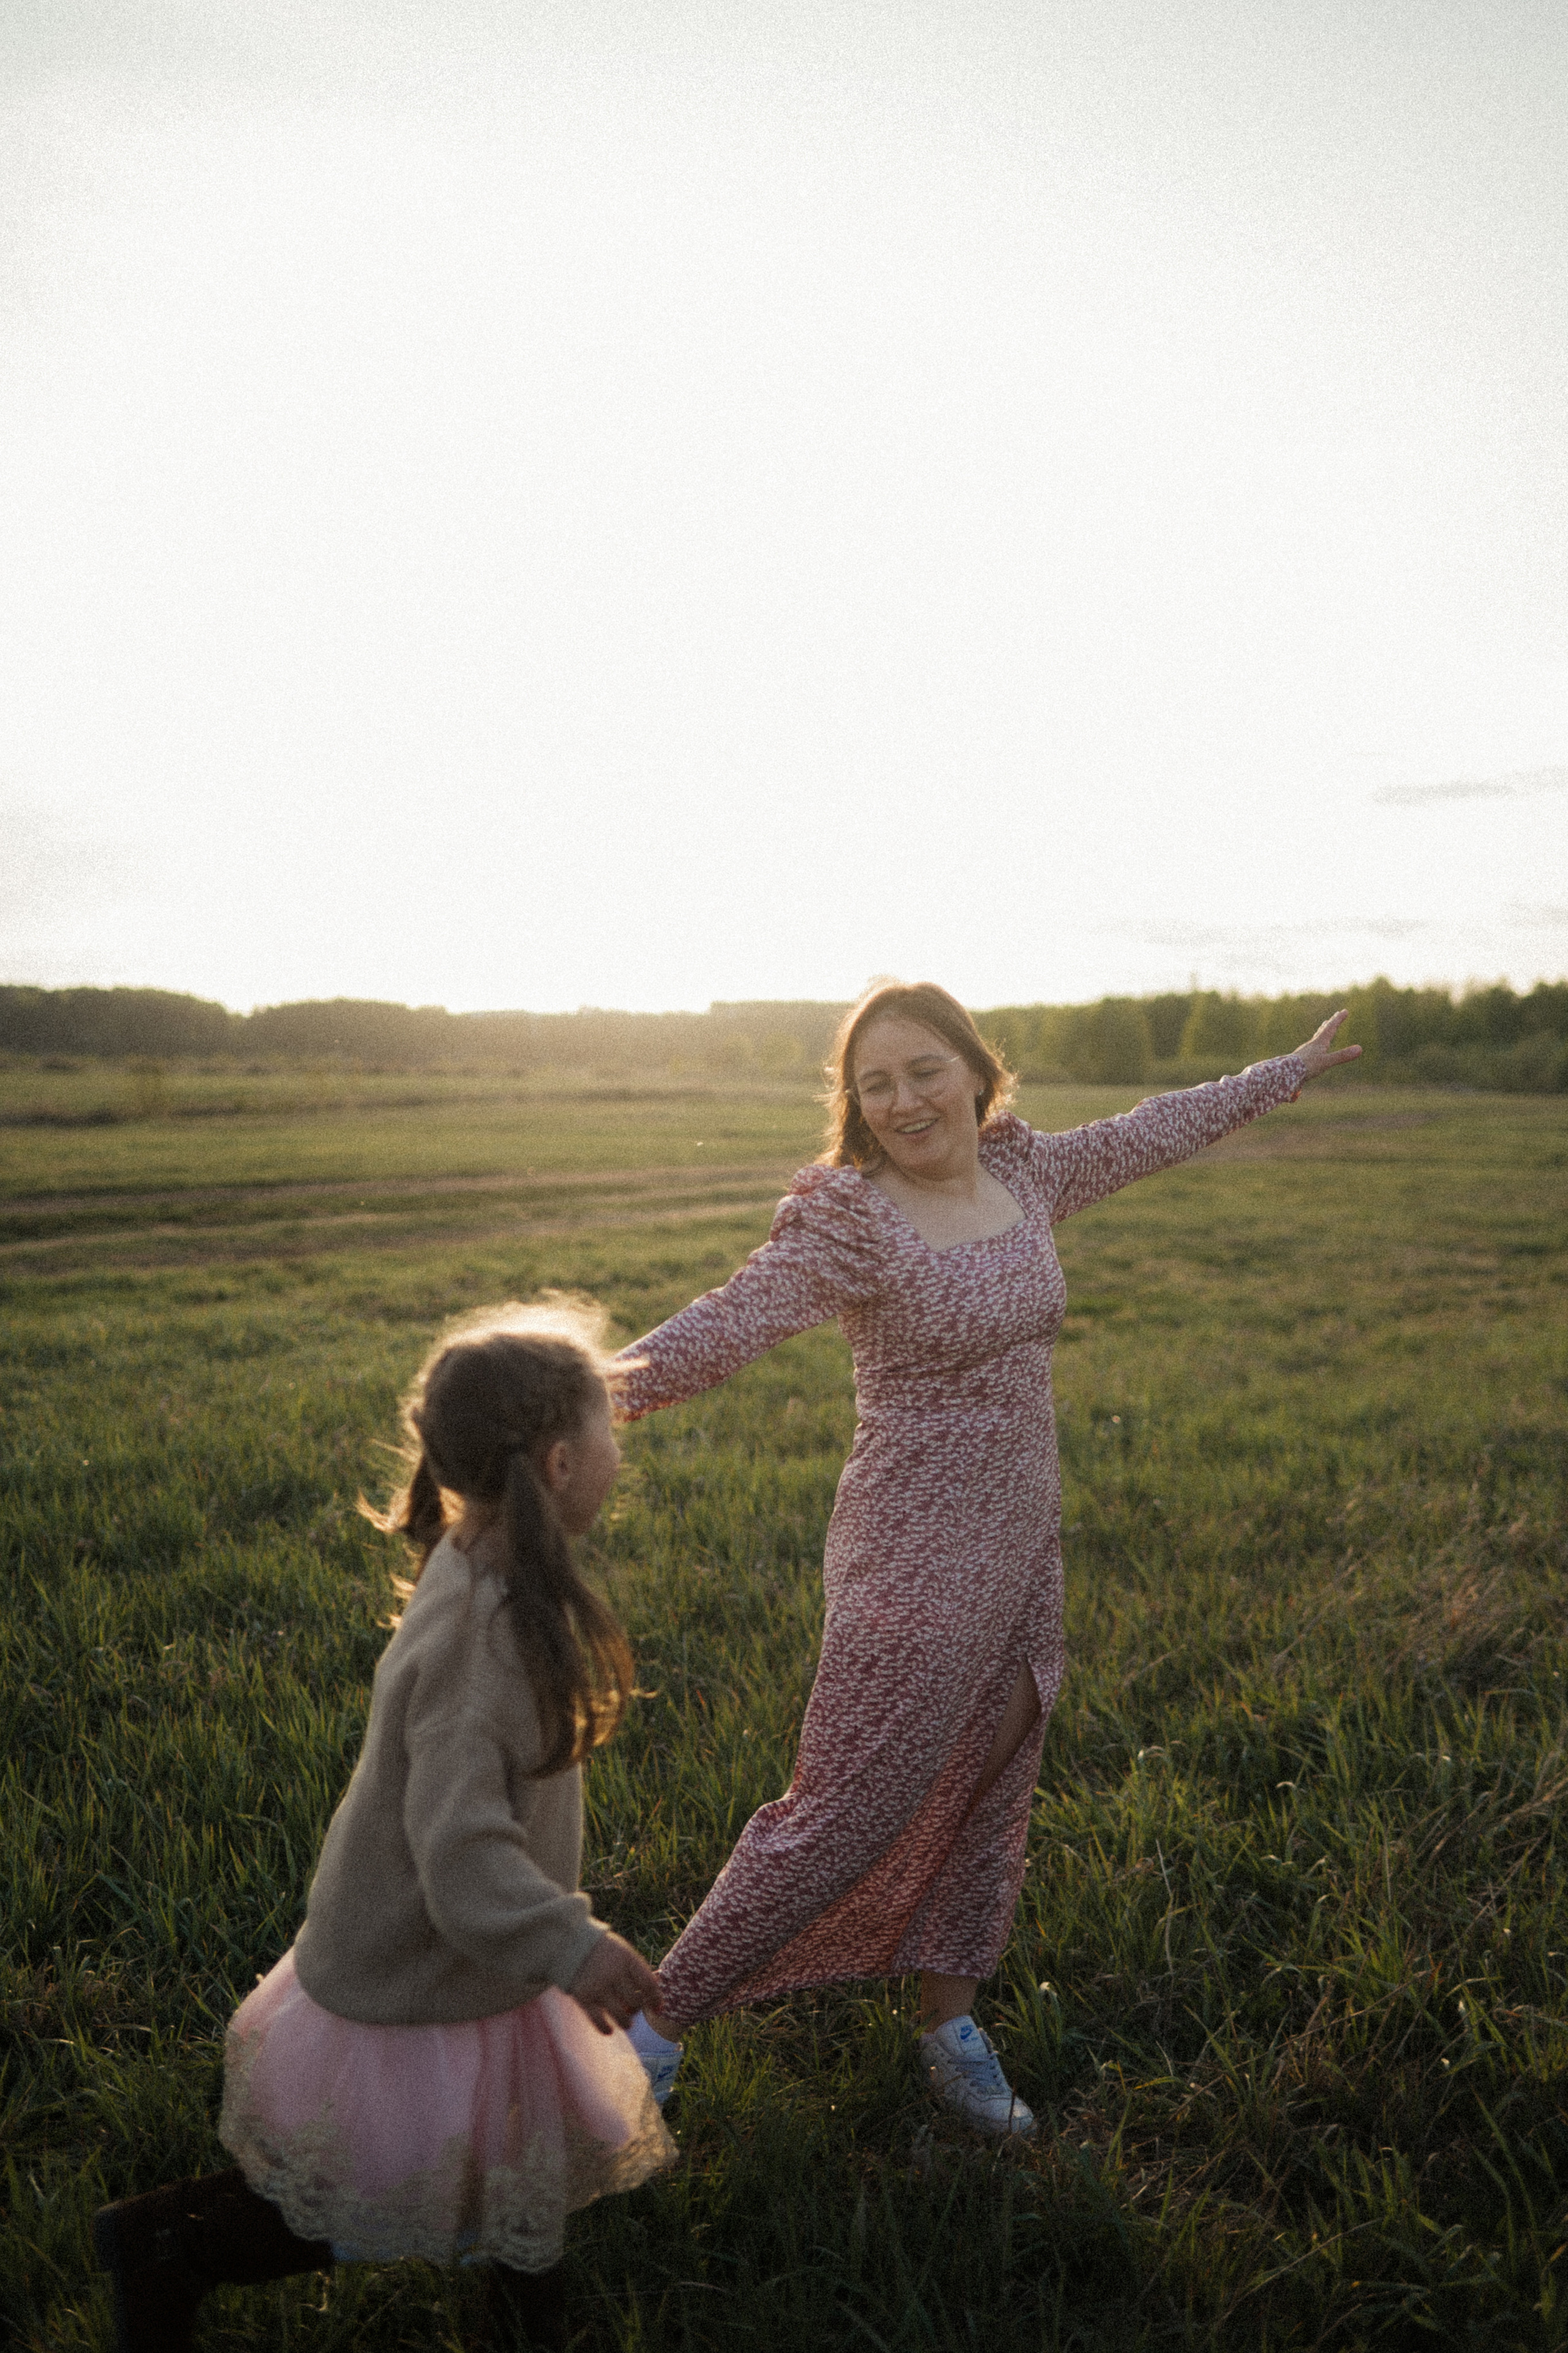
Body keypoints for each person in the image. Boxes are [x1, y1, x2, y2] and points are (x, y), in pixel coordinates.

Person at [621, 981, 1360, 2136]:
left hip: (1022, 1539)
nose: (904, 1100)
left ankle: (946, 2025)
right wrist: (578, 1391)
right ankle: (650, 2034)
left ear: (976, 1071)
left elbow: (1150, 1130)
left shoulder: (1024, 1170)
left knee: (992, 1772)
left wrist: (1284, 1073)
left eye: (924, 1070)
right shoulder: (854, 1219)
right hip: (911, 1556)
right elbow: (730, 1318)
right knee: (844, 1811)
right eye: (875, 1083)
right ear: (855, 1105)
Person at [93, 1303, 676, 2353]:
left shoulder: (485, 1560)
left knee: (515, 2160)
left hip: (477, 1964)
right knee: (373, 2184)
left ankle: (526, 2329)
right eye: (609, 1437)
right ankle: (167, 2247)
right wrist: (572, 1943)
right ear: (557, 1464)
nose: (616, 1458)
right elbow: (462, 1856)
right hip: (424, 1968)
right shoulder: (480, 1638)